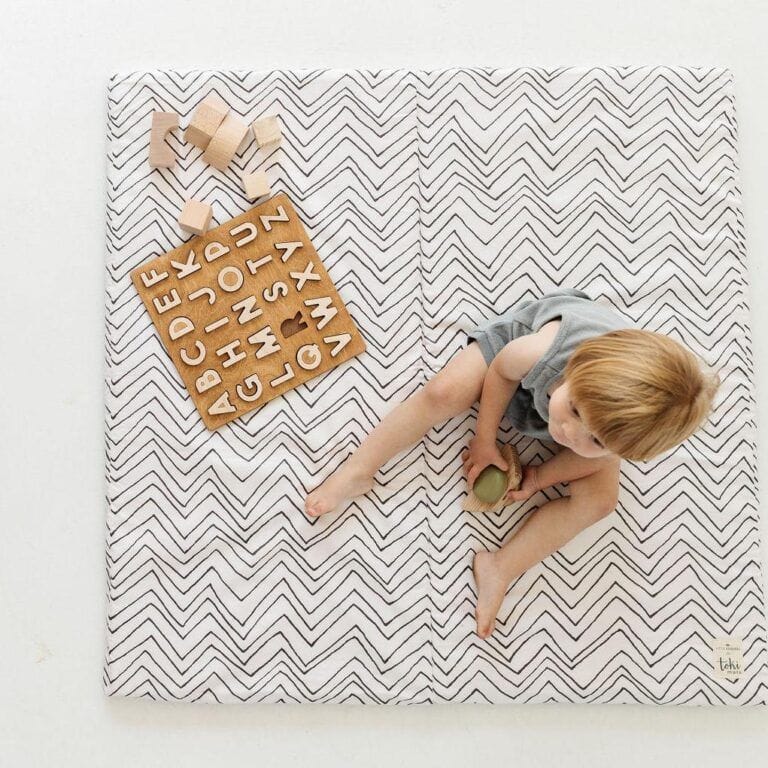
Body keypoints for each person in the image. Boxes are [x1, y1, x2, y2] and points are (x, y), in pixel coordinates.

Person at [304, 287, 721, 639]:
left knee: (600, 501)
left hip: (581, 405)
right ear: (576, 373)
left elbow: (592, 456)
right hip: (513, 369)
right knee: (443, 393)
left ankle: (501, 567)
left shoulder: (613, 432)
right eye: (574, 412)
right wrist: (485, 442)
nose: (568, 435)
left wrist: (540, 477)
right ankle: (359, 469)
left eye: (592, 438)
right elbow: (502, 373)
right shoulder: (544, 350)